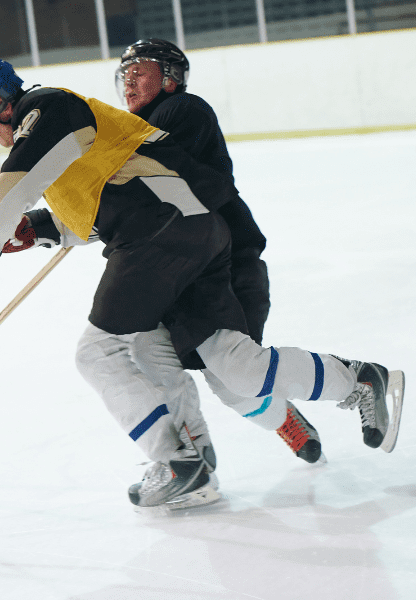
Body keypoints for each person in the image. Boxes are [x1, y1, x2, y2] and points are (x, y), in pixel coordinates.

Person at [0, 55, 404, 509]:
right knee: (209, 362)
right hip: (190, 231)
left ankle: (178, 462)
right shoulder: (65, 130)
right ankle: (355, 382)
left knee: (99, 351)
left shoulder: (49, 108)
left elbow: (18, 180)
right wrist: (39, 230)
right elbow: (89, 217)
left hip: (158, 232)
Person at [113, 38, 333, 467]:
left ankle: (306, 404)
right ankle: (190, 454)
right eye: (126, 72)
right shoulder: (138, 132)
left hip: (227, 267)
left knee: (232, 379)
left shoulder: (182, 110)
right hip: (184, 272)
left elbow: (151, 181)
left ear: (171, 80)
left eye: (141, 70)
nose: (130, 79)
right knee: (167, 360)